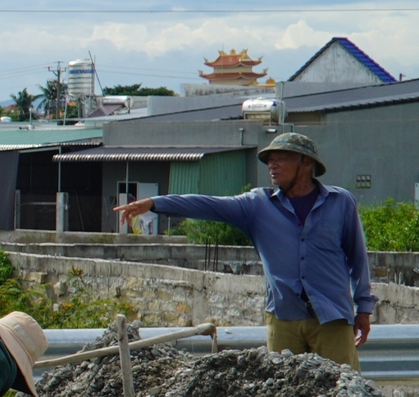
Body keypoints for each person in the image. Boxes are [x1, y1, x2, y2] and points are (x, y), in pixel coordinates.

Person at [113, 131, 373, 368]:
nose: (272, 165)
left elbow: (357, 257)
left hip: (333, 318)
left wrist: (363, 308)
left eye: (281, 158)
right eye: (270, 160)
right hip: (283, 317)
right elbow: (207, 205)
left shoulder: (340, 203)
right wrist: (154, 204)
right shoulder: (257, 205)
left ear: (306, 163)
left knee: (340, 391)